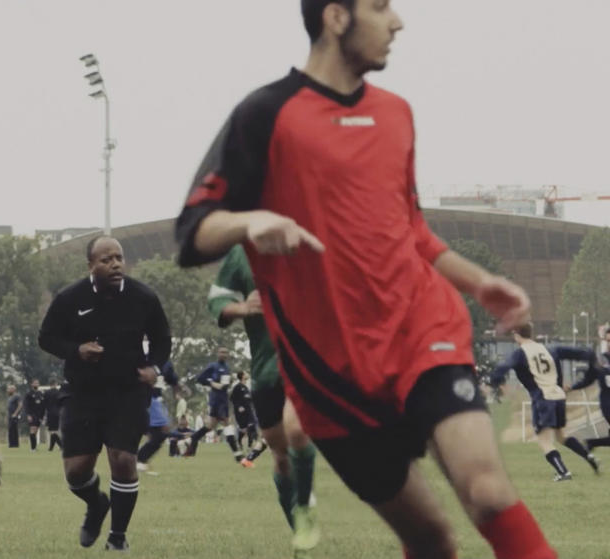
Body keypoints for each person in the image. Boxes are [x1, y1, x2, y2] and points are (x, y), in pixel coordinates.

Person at [174, 1, 555, 557]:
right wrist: (250, 219)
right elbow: (191, 232)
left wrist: (478, 282)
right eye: (380, 6)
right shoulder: (266, 114)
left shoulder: (397, 113)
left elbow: (412, 231)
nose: (397, 21)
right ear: (335, 17)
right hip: (330, 372)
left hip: (422, 331)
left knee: (490, 493)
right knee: (430, 540)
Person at [39, 236, 171, 551]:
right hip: (83, 392)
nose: (115, 264)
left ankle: (118, 538)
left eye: (119, 258)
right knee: (76, 472)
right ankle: (97, 504)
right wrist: (76, 350)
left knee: (123, 459)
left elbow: (162, 340)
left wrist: (154, 367)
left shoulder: (143, 297)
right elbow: (47, 338)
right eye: (106, 259)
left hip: (127, 392)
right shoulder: (70, 298)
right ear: (91, 266)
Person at [209, 245, 320, 550]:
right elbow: (217, 299)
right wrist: (242, 307)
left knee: (297, 430)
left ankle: (305, 503)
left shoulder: (312, 236)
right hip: (266, 372)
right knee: (280, 457)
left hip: (307, 362)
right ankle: (300, 527)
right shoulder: (240, 253)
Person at [490, 324, 600, 480]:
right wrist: (590, 362)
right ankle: (589, 456)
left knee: (544, 440)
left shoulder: (519, 354)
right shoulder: (549, 349)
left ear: (516, 334)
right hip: (559, 397)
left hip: (543, 399)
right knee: (561, 436)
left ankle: (563, 472)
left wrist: (496, 381)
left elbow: (502, 368)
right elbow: (581, 353)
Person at [189, 348, 242, 461]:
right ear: (218, 354)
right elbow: (199, 378)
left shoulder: (227, 368)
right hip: (216, 399)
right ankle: (237, 454)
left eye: (226, 352)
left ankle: (193, 439)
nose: (224, 354)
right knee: (227, 423)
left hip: (224, 399)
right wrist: (212, 383)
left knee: (210, 426)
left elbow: (225, 385)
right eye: (221, 352)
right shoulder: (213, 366)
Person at [136, 361, 182, 474]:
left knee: (159, 433)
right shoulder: (144, 355)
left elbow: (172, 379)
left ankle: (139, 461)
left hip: (156, 400)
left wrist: (179, 390)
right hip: (145, 398)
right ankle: (139, 461)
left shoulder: (166, 363)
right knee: (161, 431)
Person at [572, 330, 610, 451]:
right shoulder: (600, 361)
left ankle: (591, 443)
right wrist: (572, 387)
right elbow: (588, 379)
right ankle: (591, 443)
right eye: (608, 341)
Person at [230, 371, 258, 453]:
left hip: (249, 411)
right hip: (241, 412)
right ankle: (239, 442)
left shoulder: (246, 387)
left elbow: (249, 399)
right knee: (243, 429)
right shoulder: (237, 387)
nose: (247, 374)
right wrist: (238, 406)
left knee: (251, 426)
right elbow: (232, 398)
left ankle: (249, 446)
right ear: (242, 376)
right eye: (245, 373)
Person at [24, 379, 46, 451]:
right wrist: (28, 415)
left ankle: (34, 447)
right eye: (35, 383)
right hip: (32, 414)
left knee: (36, 431)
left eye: (37, 383)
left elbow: (43, 406)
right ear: (32, 384)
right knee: (33, 429)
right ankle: (32, 448)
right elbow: (26, 405)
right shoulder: (29, 394)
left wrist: (42, 416)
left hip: (39, 415)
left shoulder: (41, 393)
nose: (36, 384)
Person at [45, 378, 63, 451]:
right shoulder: (59, 392)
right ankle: (52, 448)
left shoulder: (46, 393)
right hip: (57, 413)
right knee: (54, 431)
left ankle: (61, 446)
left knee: (52, 431)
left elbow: (44, 404)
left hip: (50, 413)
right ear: (55, 384)